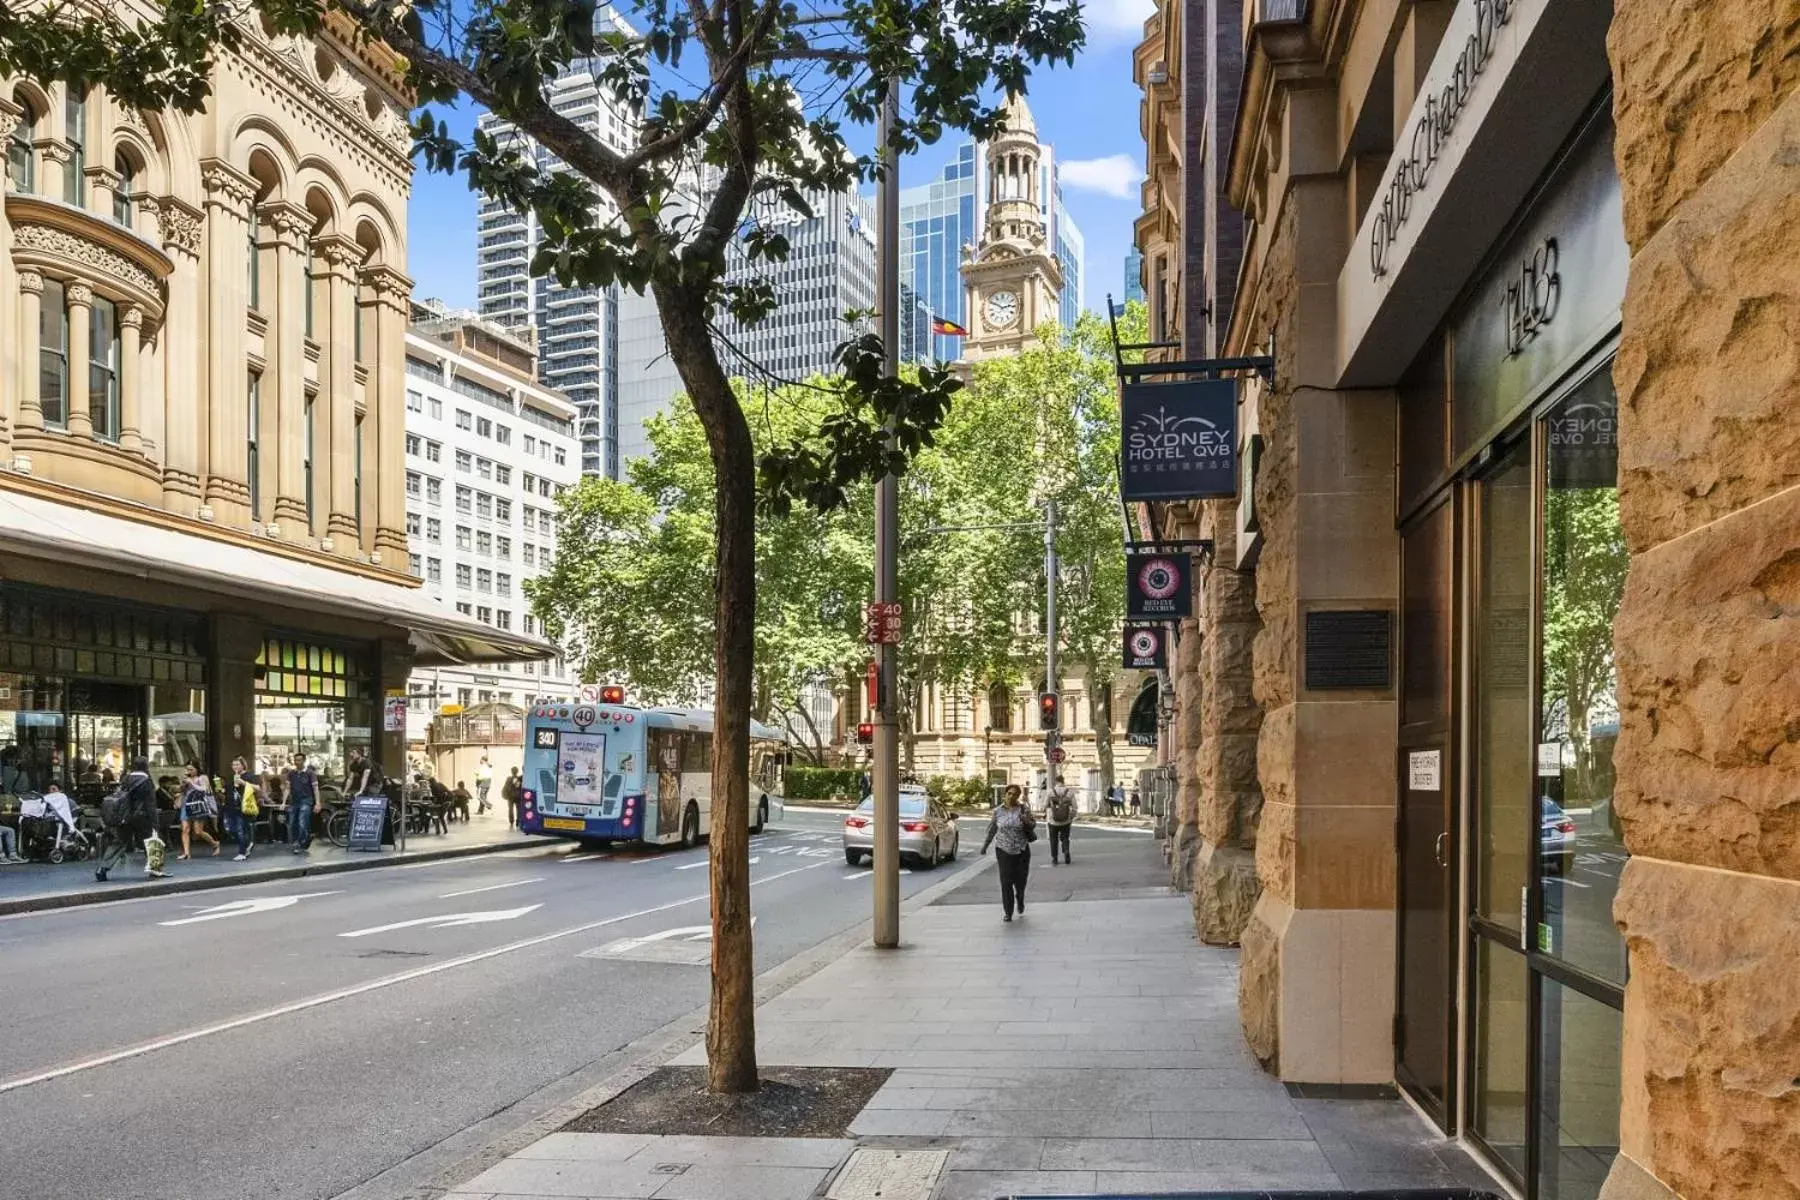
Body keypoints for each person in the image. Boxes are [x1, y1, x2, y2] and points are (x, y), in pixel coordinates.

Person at [95, 756, 161, 881]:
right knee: (151, 841)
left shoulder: (125, 779)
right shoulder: (147, 781)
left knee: (119, 842)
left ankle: (102, 868)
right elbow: (150, 804)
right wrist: (154, 821)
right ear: (146, 766)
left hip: (124, 817)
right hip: (142, 816)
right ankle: (154, 869)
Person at [979, 783, 1036, 922]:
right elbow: (992, 829)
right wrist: (985, 846)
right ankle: (1008, 911)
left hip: (1021, 849)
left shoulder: (1023, 809)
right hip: (1003, 849)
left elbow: (1033, 825)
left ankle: (1020, 897)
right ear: (1005, 794)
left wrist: (1026, 821)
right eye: (1009, 793)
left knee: (1021, 880)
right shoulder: (998, 811)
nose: (1012, 796)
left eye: (1015, 794)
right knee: (1006, 881)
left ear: (1018, 796)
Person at [176, 763, 220, 860]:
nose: (189, 772)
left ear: (197, 769)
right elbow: (182, 791)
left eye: (191, 769)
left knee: (198, 832)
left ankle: (215, 844)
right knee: (185, 829)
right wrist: (183, 786)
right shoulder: (186, 778)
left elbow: (203, 790)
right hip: (186, 804)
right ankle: (187, 853)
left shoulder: (203, 777)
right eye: (187, 769)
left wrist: (191, 783)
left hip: (198, 805)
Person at [223, 756, 257, 861]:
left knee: (240, 830)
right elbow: (228, 791)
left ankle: (242, 853)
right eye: (233, 765)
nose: (235, 767)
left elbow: (258, 788)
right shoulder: (232, 777)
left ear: (243, 765)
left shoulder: (249, 776)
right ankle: (248, 843)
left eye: (237, 764)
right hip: (231, 806)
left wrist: (244, 783)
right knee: (230, 829)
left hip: (243, 807)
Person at [285, 752, 320, 853]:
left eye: (299, 760)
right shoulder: (291, 773)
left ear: (304, 761)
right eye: (295, 760)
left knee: (302, 822)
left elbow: (315, 788)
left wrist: (317, 803)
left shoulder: (310, 773)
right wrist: (284, 801)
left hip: (306, 800)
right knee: (292, 823)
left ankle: (300, 843)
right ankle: (303, 839)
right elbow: (287, 788)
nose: (297, 762)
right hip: (294, 801)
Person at [1046, 774, 1075, 866]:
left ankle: (1055, 859)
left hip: (1052, 820)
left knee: (1053, 839)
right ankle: (1066, 851)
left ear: (1056, 781)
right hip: (1066, 820)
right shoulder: (1069, 792)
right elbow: (1075, 807)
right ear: (1063, 781)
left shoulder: (1050, 792)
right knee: (1065, 838)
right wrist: (1071, 817)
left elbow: (1045, 805)